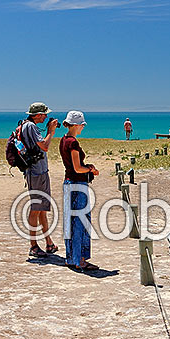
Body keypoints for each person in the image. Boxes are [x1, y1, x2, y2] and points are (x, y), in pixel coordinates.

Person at [59, 111, 101, 271]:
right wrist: (91, 169)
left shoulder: (63, 140)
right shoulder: (73, 143)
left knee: (70, 222)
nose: (83, 127)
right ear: (76, 125)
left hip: (68, 183)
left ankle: (71, 258)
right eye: (82, 125)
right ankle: (80, 260)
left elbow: (72, 166)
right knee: (80, 222)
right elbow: (78, 168)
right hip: (77, 184)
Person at [20, 102, 58, 257]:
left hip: (37, 171)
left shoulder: (26, 126)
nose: (46, 116)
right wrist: (51, 131)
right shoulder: (31, 127)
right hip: (36, 172)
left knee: (42, 208)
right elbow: (44, 146)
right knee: (36, 208)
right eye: (44, 114)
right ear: (37, 115)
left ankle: (48, 243)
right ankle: (34, 245)